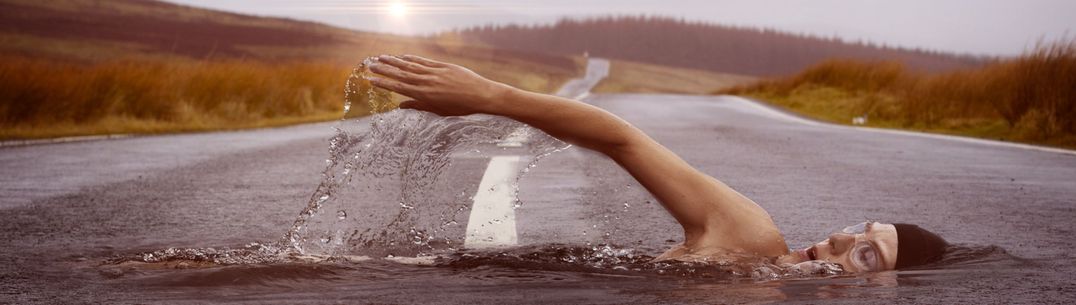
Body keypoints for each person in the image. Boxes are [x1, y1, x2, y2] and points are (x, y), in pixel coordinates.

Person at [367, 54, 948, 272]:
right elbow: (626, 142)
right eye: (860, 231)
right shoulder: (750, 240)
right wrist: (491, 97)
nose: (842, 241)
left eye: (869, 254)